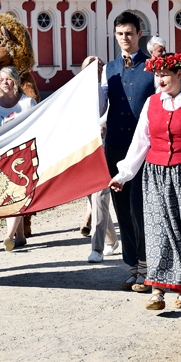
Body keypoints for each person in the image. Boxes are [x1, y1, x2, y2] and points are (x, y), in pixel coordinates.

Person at [109, 52, 181, 310]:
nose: (159, 80)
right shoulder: (151, 103)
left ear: (179, 75)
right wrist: (123, 175)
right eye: (157, 75)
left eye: (165, 75)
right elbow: (141, 143)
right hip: (156, 174)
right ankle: (157, 289)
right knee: (158, 231)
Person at [100, 12, 156, 291]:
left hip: (145, 149)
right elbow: (99, 107)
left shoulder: (152, 67)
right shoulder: (108, 69)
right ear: (115, 35)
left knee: (140, 206)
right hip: (117, 147)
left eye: (130, 33)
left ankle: (147, 265)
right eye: (120, 33)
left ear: (139, 34)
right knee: (122, 209)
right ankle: (132, 265)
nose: (125, 38)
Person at [0, 66, 38, 250]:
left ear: (16, 81)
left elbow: (36, 130)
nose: (4, 83)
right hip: (0, 158)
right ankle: (20, 236)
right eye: (1, 79)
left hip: (22, 157)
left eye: (8, 79)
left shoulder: (27, 103)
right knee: (10, 196)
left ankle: (8, 236)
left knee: (15, 195)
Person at [80, 55, 119, 263]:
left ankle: (97, 248)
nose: (95, 70)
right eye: (90, 67)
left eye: (99, 66)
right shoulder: (77, 95)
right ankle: (112, 240)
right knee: (95, 200)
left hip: (106, 150)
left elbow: (109, 113)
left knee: (99, 198)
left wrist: (103, 125)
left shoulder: (109, 88)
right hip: (86, 153)